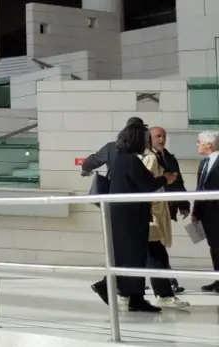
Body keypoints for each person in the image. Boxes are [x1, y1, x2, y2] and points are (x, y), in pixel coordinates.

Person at [88, 121, 176, 312]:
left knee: (131, 256)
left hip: (125, 215)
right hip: (130, 216)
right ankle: (107, 286)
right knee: (131, 256)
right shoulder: (130, 160)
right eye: (146, 138)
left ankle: (135, 298)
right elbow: (147, 185)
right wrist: (166, 179)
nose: (148, 141)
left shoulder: (123, 158)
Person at [139, 141, 189, 309]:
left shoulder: (166, 157)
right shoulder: (149, 158)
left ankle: (126, 292)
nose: (161, 139)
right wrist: (165, 179)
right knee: (155, 253)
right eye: (157, 136)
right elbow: (149, 184)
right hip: (151, 212)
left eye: (163, 136)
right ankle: (163, 293)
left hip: (154, 210)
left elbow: (177, 181)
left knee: (151, 253)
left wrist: (183, 204)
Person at [192, 130, 219, 294]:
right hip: (207, 214)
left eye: (199, 141)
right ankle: (218, 279)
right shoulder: (203, 163)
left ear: (209, 144)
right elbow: (199, 188)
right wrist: (196, 211)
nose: (197, 144)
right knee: (214, 247)